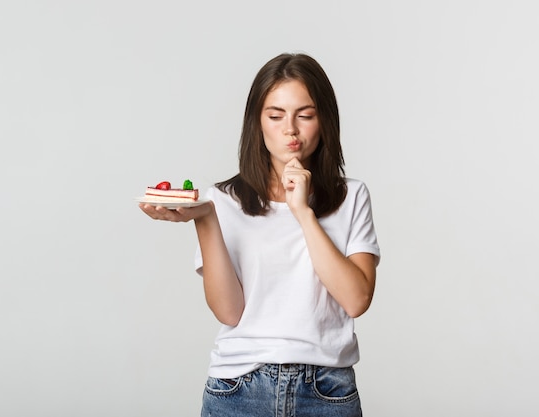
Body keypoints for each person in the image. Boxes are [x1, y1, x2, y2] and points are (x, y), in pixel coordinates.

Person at [140, 52, 380, 417]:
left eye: (306, 115)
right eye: (276, 115)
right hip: (238, 389)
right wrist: (205, 219)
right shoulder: (222, 200)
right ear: (257, 122)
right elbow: (229, 311)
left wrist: (303, 212)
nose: (291, 130)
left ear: (324, 121)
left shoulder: (352, 196)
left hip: (327, 392)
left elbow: (356, 299)